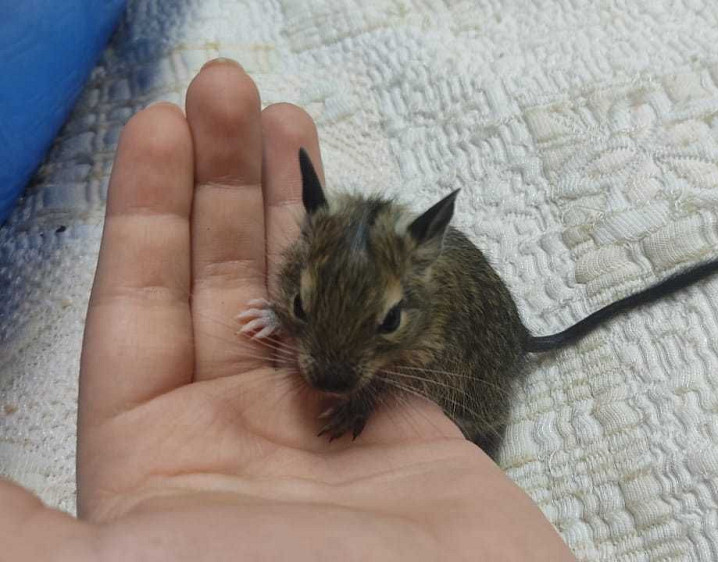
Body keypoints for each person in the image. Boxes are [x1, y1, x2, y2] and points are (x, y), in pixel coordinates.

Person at [1, 58, 574, 561]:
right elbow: (308, 296)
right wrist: (284, 315)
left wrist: (362, 403)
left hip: (477, 373)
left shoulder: (423, 299)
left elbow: (419, 357)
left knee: (477, 416)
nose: (325, 371)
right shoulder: (311, 251)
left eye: (385, 323)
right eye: (304, 306)